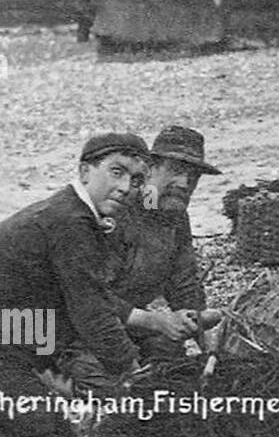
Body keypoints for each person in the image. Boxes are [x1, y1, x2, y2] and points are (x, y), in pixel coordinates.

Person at [0, 134, 149, 437]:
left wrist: (152, 326)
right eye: (116, 172)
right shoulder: (71, 222)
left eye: (135, 180)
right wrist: (135, 378)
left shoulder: (69, 214)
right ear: (85, 171)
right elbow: (92, 313)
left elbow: (86, 295)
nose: (125, 187)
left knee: (41, 417)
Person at [63, 126, 223, 390]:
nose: (184, 183)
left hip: (130, 324)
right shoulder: (114, 209)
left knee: (175, 371)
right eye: (175, 170)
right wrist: (156, 321)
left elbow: (184, 284)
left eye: (193, 176)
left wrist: (204, 333)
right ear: (150, 169)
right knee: (111, 390)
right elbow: (86, 294)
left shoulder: (174, 216)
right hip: (77, 326)